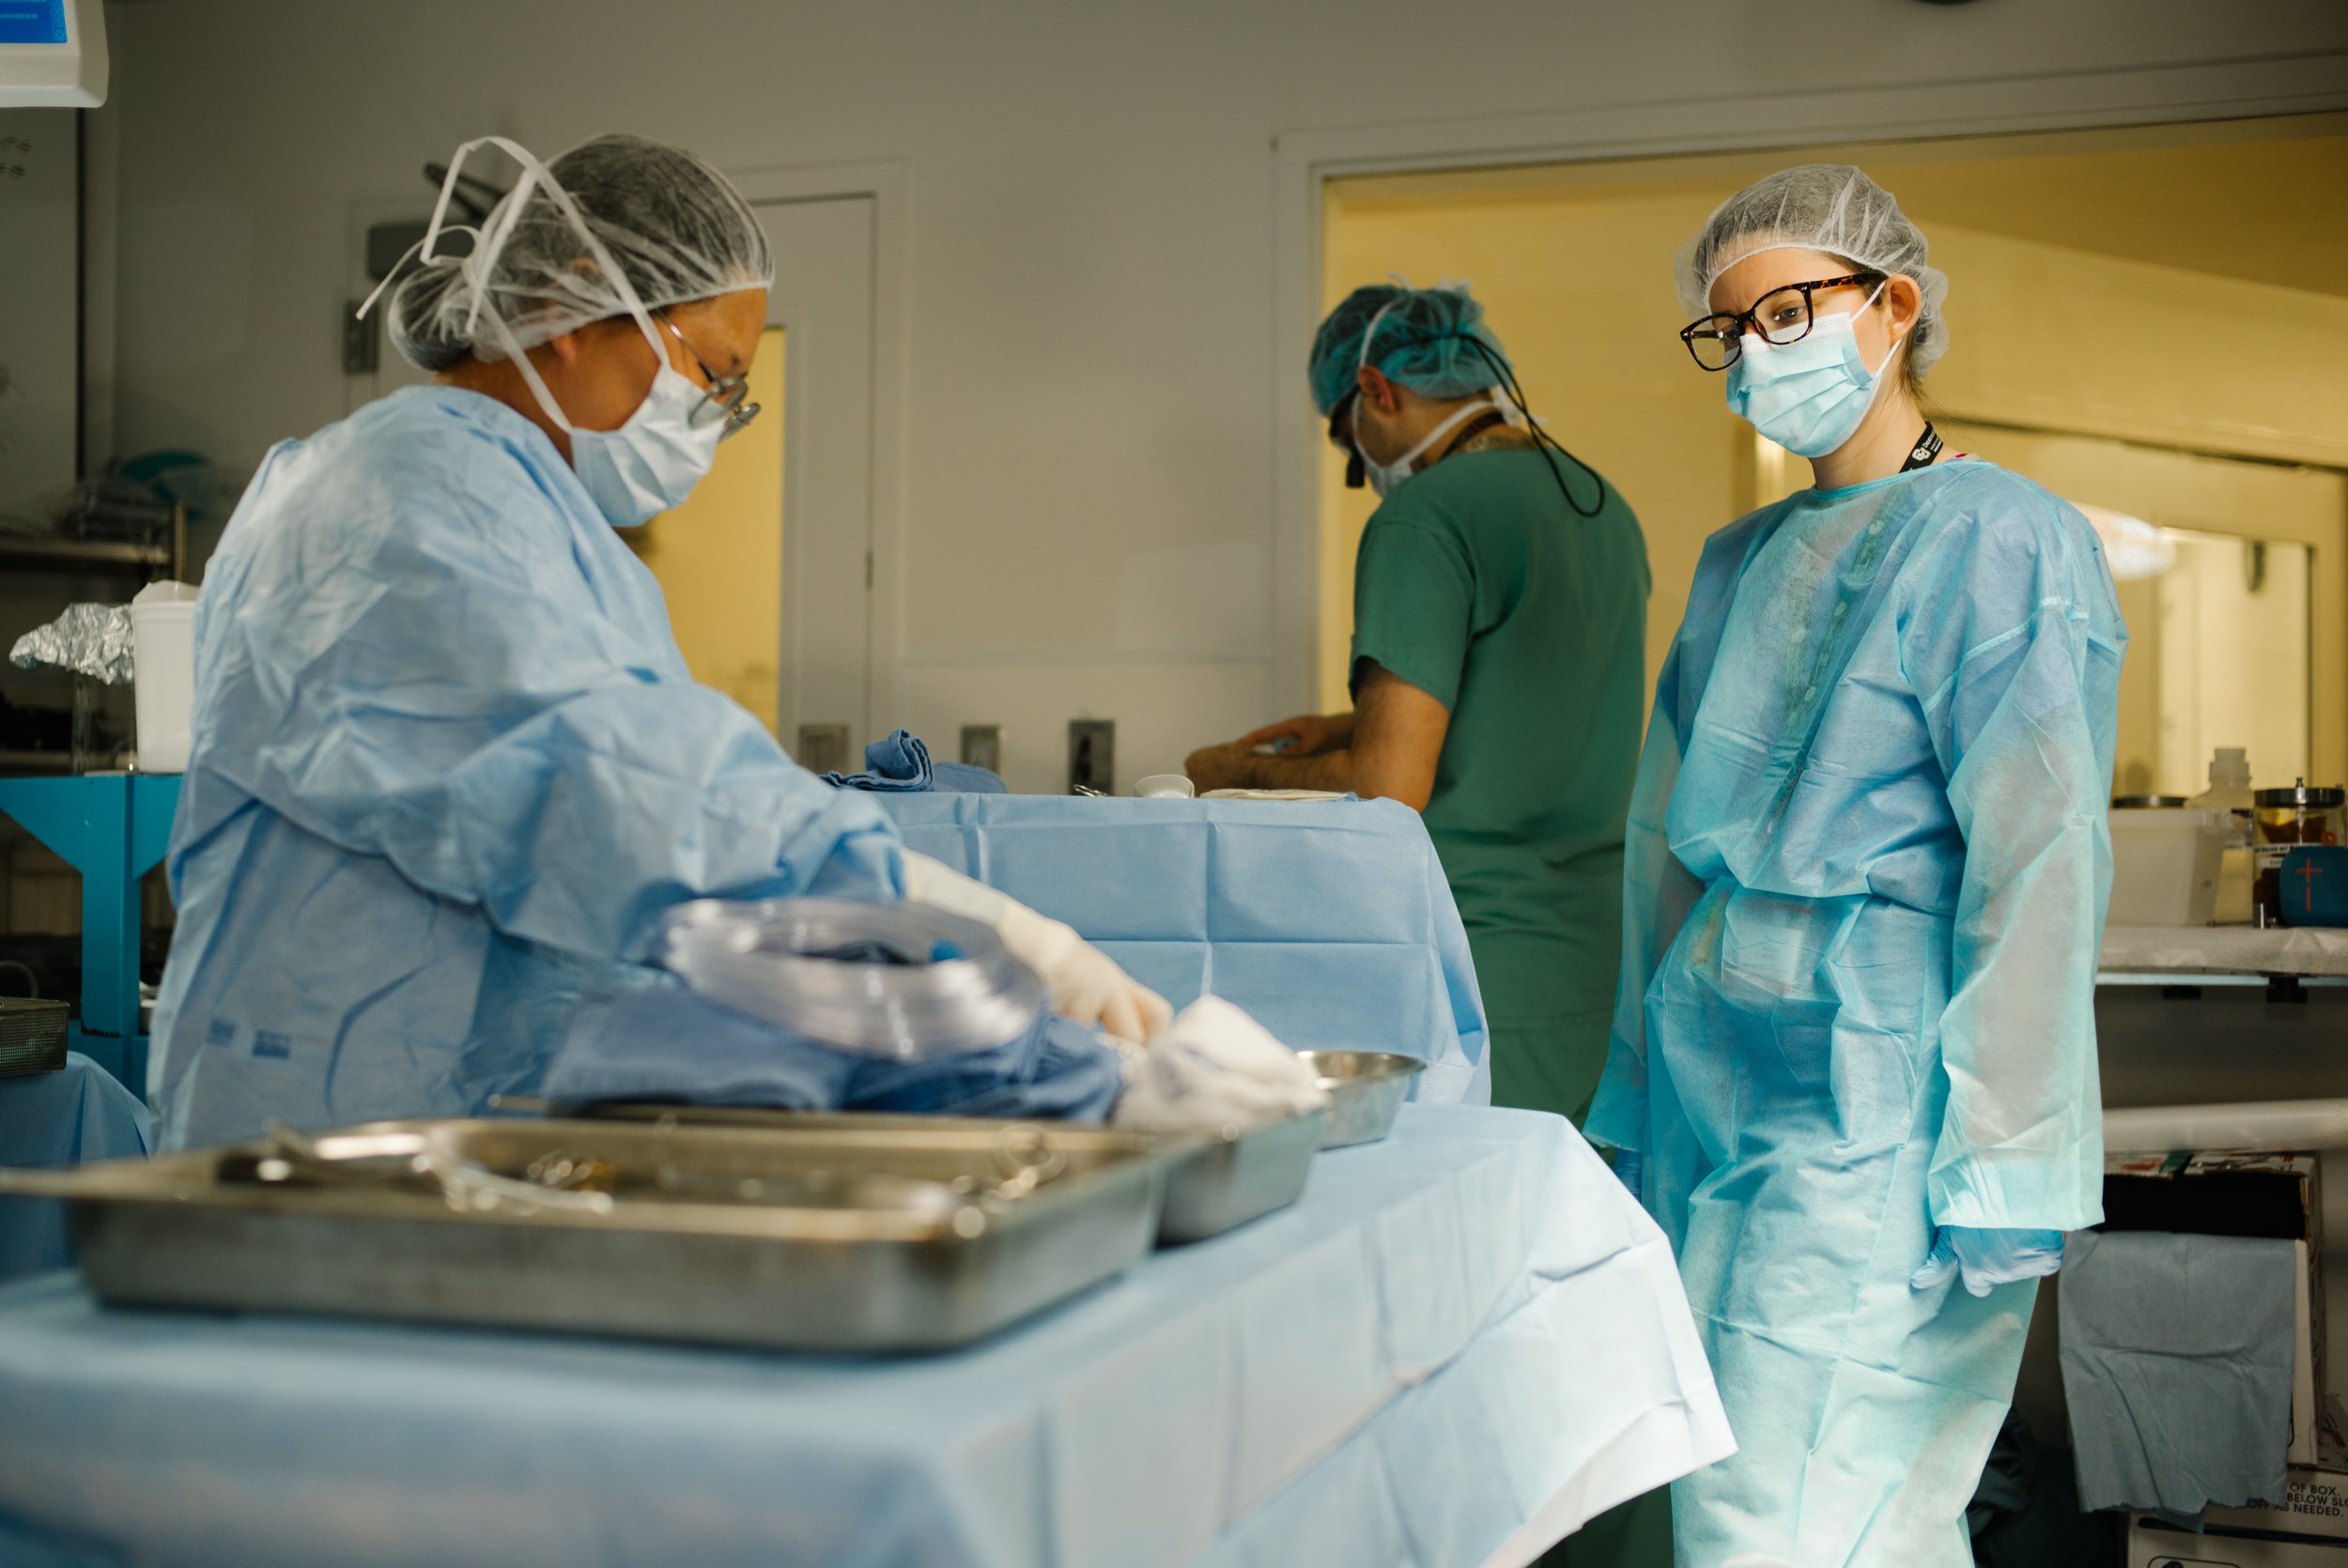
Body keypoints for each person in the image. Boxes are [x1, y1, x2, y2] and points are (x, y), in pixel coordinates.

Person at [149, 134, 1165, 1149]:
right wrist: (982, 936)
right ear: (570, 309)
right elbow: (645, 799)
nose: (714, 422)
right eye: (711, 376)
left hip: (439, 1110)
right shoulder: (413, 497)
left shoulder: (529, 514)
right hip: (329, 1127)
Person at [1587, 165, 2124, 1567]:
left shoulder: (2006, 540)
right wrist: (1639, 1104)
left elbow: (2039, 863)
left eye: (1787, 312)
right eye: (1729, 330)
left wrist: (2007, 1159)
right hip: (1721, 1104)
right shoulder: (1740, 562)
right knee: (1775, 1507)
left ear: (1893, 307)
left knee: (1784, 1519)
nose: (1756, 352)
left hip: (1880, 1113)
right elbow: (1666, 850)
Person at [1186, 282, 1648, 1127]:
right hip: (1597, 971)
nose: (1362, 476)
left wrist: (1235, 772)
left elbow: (1390, 782)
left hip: (1477, 969)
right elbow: (1532, 703)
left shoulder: (1425, 519)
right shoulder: (1600, 505)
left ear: (1375, 392)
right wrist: (1337, 724)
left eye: (1349, 444)